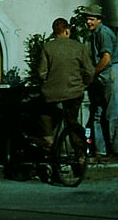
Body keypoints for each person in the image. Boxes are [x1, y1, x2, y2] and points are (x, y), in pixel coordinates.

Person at [37, 16, 94, 156]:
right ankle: (80, 157)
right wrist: (84, 83)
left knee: (44, 111)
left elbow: (41, 73)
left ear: (54, 32)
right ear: (67, 31)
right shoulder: (79, 47)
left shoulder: (47, 47)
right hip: (74, 91)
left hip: (52, 92)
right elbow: (90, 71)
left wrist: (48, 80)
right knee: (72, 122)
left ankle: (48, 138)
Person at [82, 4, 118, 162]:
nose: (88, 22)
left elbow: (106, 58)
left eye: (91, 19)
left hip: (111, 73)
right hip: (105, 75)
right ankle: (100, 150)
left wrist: (92, 73)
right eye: (87, 19)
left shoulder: (103, 33)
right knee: (98, 113)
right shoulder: (96, 33)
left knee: (112, 113)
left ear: (99, 19)